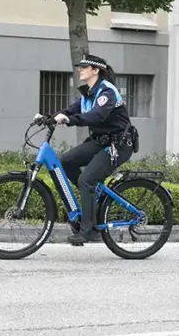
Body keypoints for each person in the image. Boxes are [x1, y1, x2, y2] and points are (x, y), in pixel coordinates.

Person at [37, 54, 135, 245]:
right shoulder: (88, 94)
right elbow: (69, 111)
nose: (80, 70)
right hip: (100, 142)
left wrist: (70, 120)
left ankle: (89, 231)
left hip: (118, 145)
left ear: (95, 70)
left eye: (84, 67)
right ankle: (94, 195)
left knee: (86, 180)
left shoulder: (107, 92)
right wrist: (48, 117)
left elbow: (96, 117)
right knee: (66, 162)